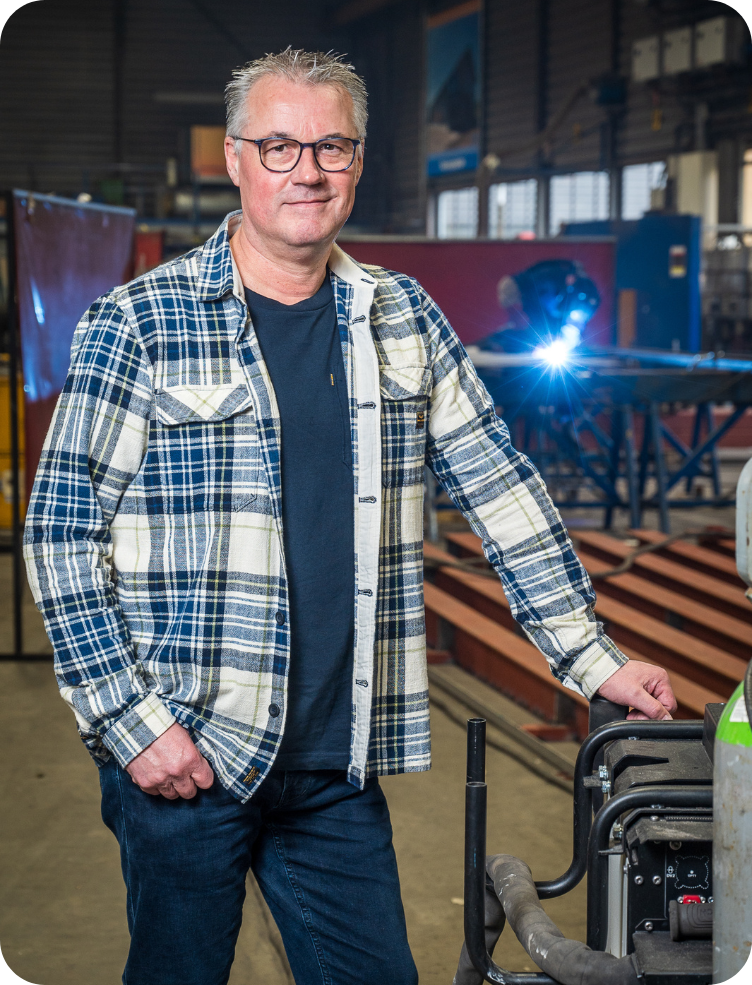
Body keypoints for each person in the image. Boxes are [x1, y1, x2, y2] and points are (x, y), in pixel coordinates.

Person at [24, 47, 676, 985]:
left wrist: (594, 659)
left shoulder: (401, 317)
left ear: (359, 161)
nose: (308, 170)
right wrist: (131, 721)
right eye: (280, 146)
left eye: (331, 146)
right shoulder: (141, 322)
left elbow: (500, 485)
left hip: (335, 761)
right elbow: (60, 532)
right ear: (237, 160)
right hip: (188, 750)